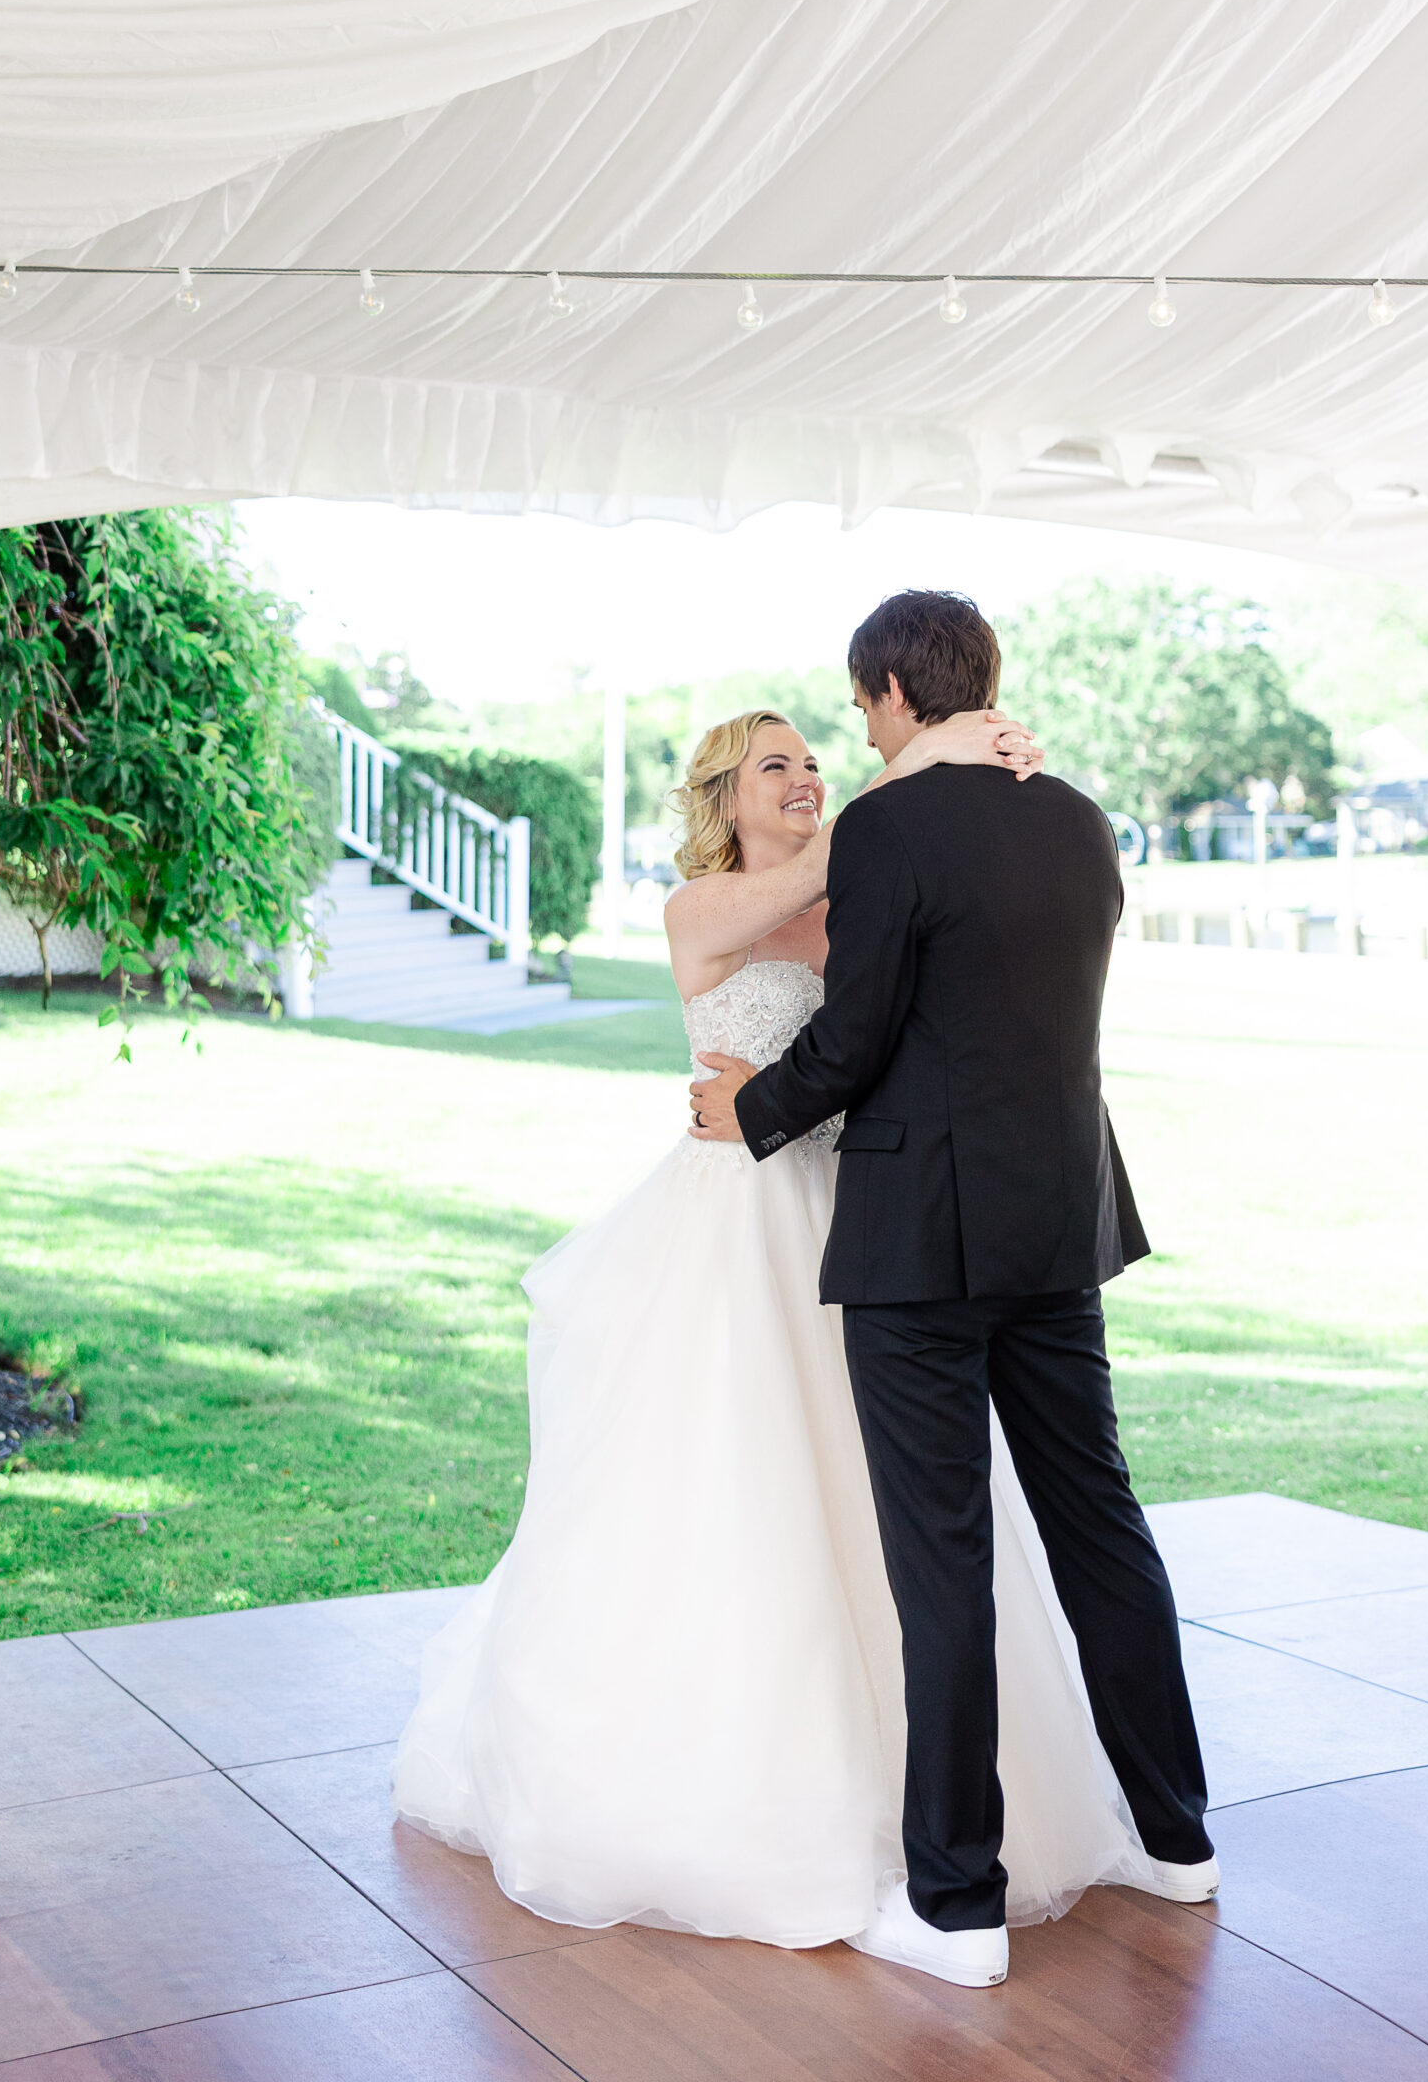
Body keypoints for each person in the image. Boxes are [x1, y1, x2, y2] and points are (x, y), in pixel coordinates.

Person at [392, 691, 1153, 1954]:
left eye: (812, 756)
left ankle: (922, 1805)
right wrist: (933, 763)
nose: (802, 775)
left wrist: (936, 780)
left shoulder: (867, 887)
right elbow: (825, 892)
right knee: (729, 1486)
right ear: (723, 799)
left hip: (865, 1218)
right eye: (773, 767)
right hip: (732, 1227)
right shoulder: (709, 909)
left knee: (883, 1517)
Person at [691, 589, 1211, 1991]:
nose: (854, 738)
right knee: (1099, 1524)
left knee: (943, 1564)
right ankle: (1177, 1840)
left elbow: (852, 1039)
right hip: (1059, 1220)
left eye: (859, 712)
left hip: (921, 1236)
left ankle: (956, 1907)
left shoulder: (885, 828)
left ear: (887, 695)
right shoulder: (1078, 817)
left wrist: (749, 1114)